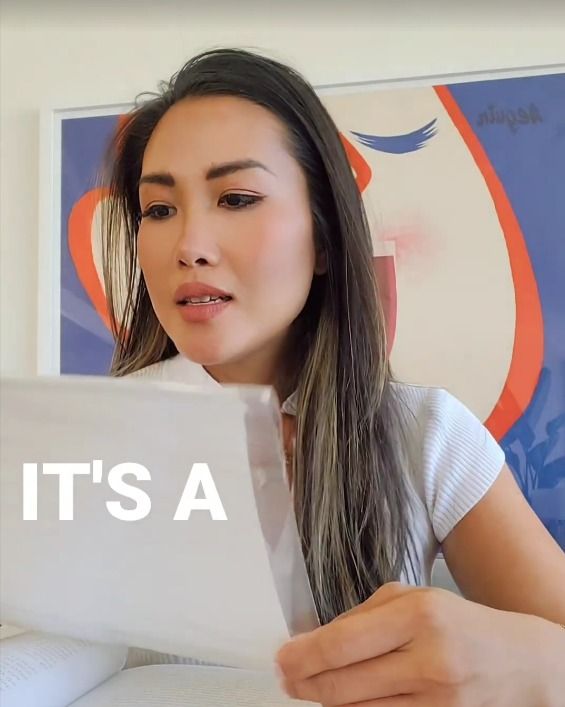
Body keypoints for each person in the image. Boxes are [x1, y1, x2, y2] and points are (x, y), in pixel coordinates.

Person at [101, 48, 565, 706]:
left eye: (236, 198)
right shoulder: (85, 438)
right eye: (158, 209)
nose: (189, 246)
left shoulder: (426, 434)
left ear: (322, 237)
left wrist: (529, 664)